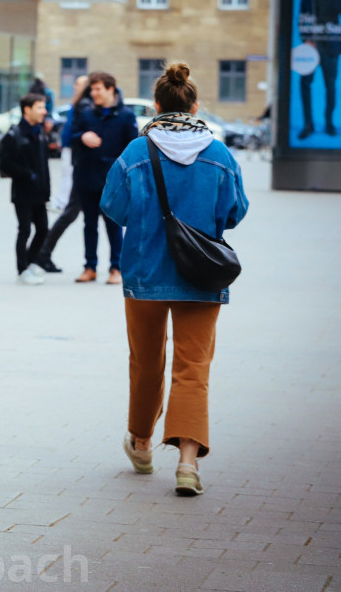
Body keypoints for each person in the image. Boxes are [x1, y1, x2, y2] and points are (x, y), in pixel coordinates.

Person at [101, 61, 248, 496]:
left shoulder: (135, 152)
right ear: (195, 105)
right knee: (193, 368)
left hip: (145, 273)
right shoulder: (219, 155)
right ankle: (187, 463)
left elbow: (114, 207)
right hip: (201, 274)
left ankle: (142, 444)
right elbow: (235, 212)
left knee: (146, 363)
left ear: (157, 105)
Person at [69, 71, 137, 284]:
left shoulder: (126, 115)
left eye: (98, 89)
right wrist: (82, 136)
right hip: (86, 176)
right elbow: (69, 137)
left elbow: (132, 147)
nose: (94, 93)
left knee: (113, 225)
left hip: (113, 181)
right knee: (89, 224)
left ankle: (116, 268)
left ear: (110, 89)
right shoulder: (86, 113)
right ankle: (90, 267)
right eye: (92, 89)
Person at [35, 75, 90, 273]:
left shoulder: (81, 105)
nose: (75, 87)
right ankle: (43, 252)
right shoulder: (84, 106)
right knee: (72, 212)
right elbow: (73, 135)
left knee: (73, 212)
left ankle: (43, 252)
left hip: (83, 164)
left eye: (78, 84)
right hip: (84, 165)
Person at [0, 93, 51, 285]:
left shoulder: (39, 131)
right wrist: (27, 174)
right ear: (27, 109)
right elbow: (3, 163)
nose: (44, 111)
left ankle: (29, 262)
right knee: (25, 230)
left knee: (44, 229)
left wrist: (46, 189)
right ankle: (22, 269)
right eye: (40, 107)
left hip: (39, 193)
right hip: (23, 193)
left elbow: (43, 164)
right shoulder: (15, 134)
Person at [298, 0, 341, 139]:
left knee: (330, 86)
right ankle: (308, 124)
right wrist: (307, 39)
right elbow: (302, 21)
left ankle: (329, 123)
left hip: (331, 47)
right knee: (305, 84)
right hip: (312, 48)